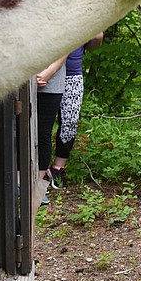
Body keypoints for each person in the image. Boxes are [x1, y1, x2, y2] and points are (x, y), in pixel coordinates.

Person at [48, 33, 102, 189]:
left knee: (70, 122)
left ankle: (58, 168)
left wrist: (97, 37)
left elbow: (92, 46)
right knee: (42, 122)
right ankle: (39, 168)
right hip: (48, 73)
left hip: (73, 76)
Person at [35, 53, 68, 206]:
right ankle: (19, 183)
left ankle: (37, 187)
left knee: (43, 134)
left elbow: (67, 46)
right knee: (16, 133)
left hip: (51, 83)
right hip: (20, 82)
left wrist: (48, 72)